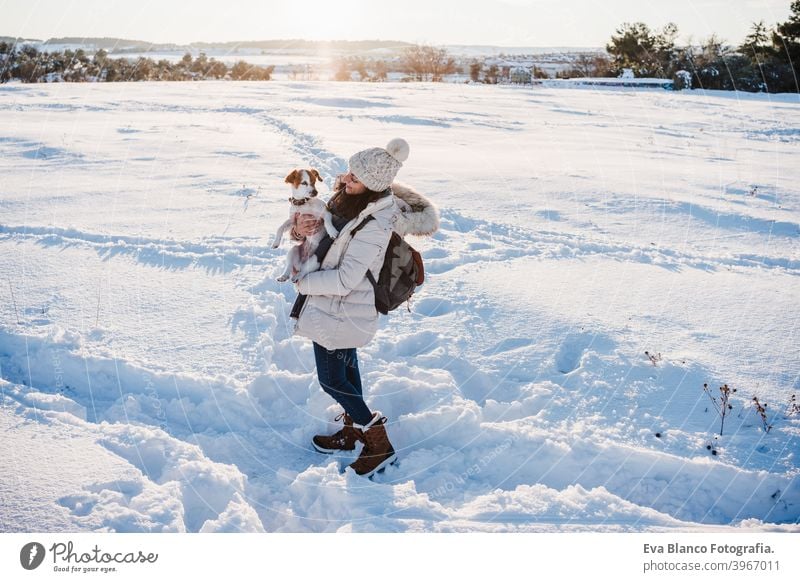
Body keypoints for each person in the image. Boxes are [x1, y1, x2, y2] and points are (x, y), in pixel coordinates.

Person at [288, 138, 438, 478]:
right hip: (332, 307)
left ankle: (378, 444)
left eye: (354, 177)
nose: (344, 179)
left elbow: (345, 279)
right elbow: (321, 238)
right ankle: (355, 430)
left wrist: (303, 283)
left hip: (342, 307)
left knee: (332, 380)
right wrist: (301, 228)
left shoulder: (378, 223)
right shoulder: (350, 200)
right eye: (349, 172)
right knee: (346, 373)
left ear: (371, 185)